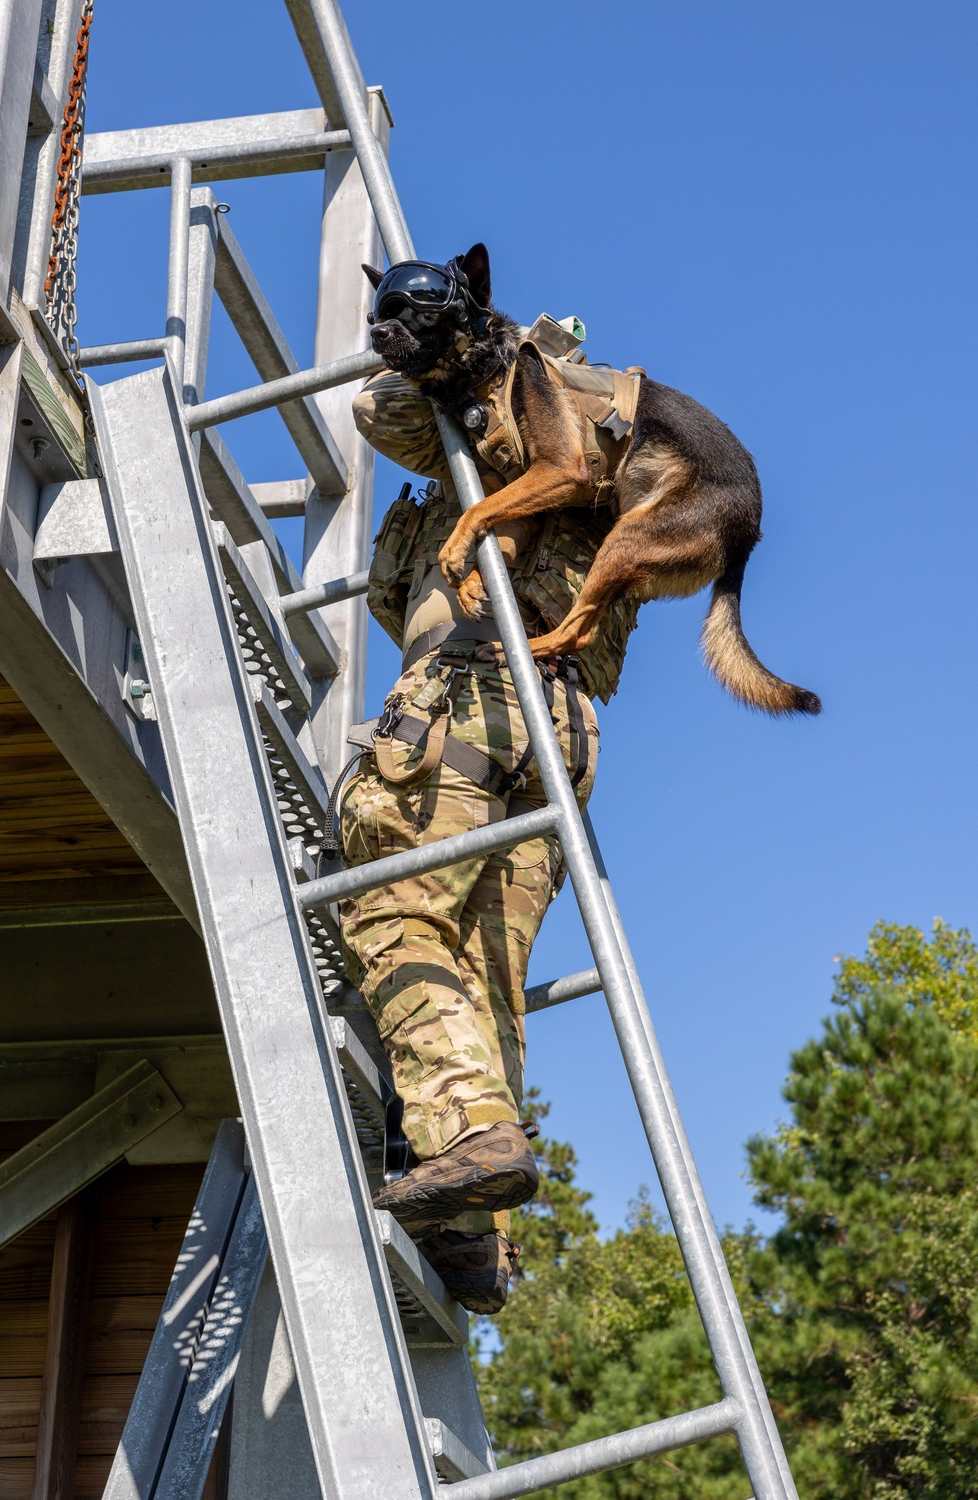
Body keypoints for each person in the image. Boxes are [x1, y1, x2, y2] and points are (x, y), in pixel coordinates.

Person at [338, 360, 638, 1313]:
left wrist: (486, 356)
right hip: (557, 737)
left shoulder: (536, 458)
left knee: (395, 913)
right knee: (484, 979)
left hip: (465, 703)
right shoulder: (615, 493)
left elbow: (374, 403)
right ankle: (477, 1241)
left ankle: (469, 1138)